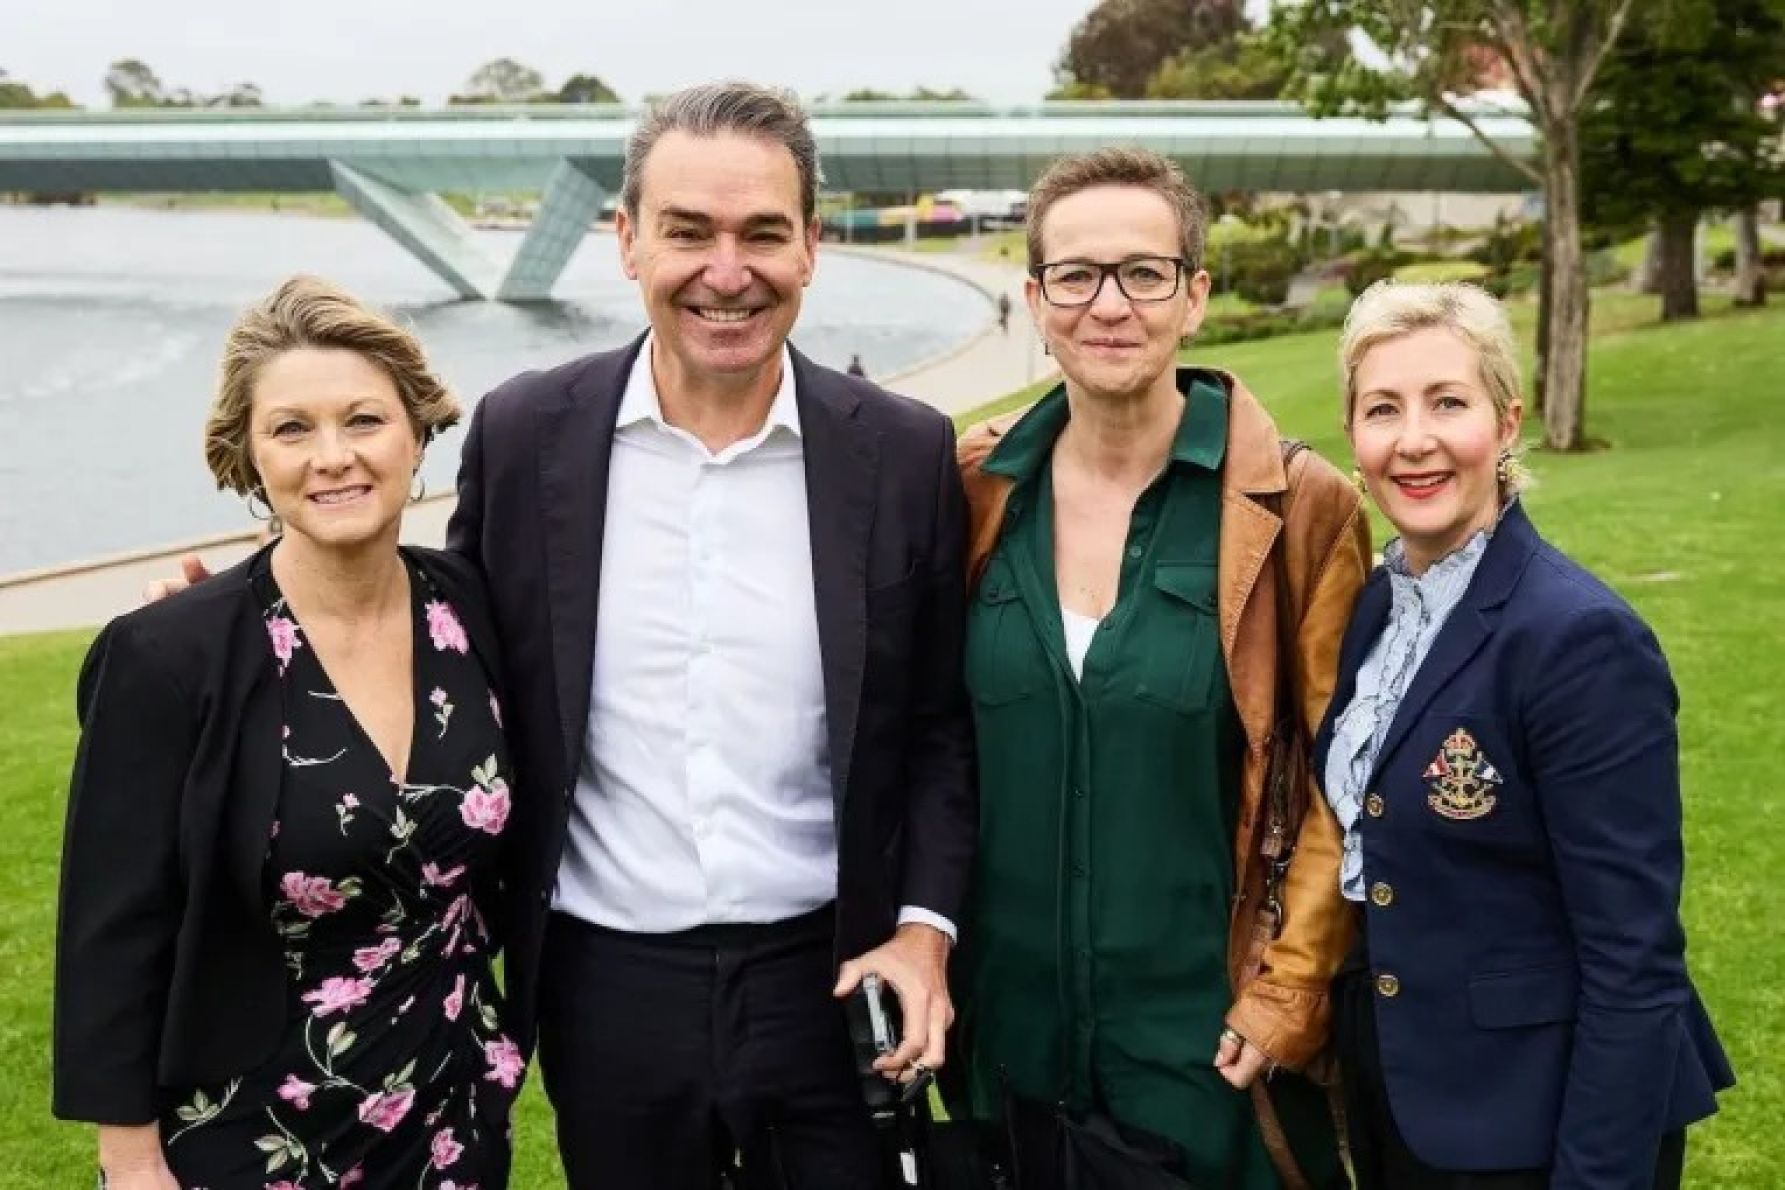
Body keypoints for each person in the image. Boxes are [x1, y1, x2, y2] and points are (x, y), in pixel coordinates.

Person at [449, 83, 975, 1188]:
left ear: (812, 246)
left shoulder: (904, 451)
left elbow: (937, 723)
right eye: (688, 232)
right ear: (627, 240)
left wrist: (923, 929)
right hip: (604, 982)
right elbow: (452, 656)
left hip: (833, 969)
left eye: (762, 235)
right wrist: (253, 615)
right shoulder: (523, 432)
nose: (726, 273)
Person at [951, 147, 1368, 1188]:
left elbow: (1348, 776)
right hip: (1007, 1050)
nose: (1110, 305)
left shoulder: (1297, 510)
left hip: (1211, 1058)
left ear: (1195, 296)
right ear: (1036, 301)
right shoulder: (973, 490)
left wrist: (1289, 989)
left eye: (1144, 272)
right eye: (1076, 276)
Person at [55, 277, 521, 1189]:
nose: (333, 457)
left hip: (452, 1112)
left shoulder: (474, 609)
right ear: (248, 457)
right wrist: (130, 1162)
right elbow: (112, 930)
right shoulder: (169, 654)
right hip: (250, 1131)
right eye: (292, 429)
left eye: (364, 420)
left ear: (417, 433)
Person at [1316, 281, 1734, 1189]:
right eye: (1382, 408)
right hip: (1406, 1096)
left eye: (1447, 403)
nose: (1413, 440)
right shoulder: (1376, 607)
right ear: (1352, 433)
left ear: (1506, 424)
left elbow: (1632, 959)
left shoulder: (1577, 639)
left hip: (1536, 1122)